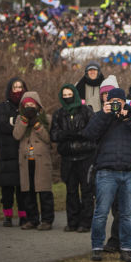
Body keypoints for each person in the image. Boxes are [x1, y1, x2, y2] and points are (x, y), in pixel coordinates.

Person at [84, 83, 131, 262]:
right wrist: (105, 115)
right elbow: (89, 134)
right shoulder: (101, 116)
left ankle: (126, 249)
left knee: (127, 213)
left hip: (128, 172)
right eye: (113, 101)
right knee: (101, 212)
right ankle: (97, 247)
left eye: (119, 102)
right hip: (106, 172)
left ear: (124, 102)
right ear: (107, 101)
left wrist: (128, 117)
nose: (116, 105)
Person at [50, 84, 96, 232]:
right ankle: (72, 221)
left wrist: (79, 135)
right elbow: (54, 134)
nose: (67, 97)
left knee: (87, 191)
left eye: (70, 94)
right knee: (71, 191)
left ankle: (85, 222)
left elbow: (94, 131)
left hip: (85, 157)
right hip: (68, 158)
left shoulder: (86, 111)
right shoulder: (59, 114)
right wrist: (66, 135)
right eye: (65, 95)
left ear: (75, 94)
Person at [12, 91, 55, 229]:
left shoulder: (46, 119)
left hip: (41, 160)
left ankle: (47, 220)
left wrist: (37, 125)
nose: (30, 106)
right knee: (28, 192)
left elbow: (49, 139)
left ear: (38, 105)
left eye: (32, 104)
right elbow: (17, 135)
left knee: (44, 191)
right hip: (26, 160)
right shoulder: (20, 119)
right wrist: (24, 121)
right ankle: (32, 219)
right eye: (27, 104)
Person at [0, 78, 28, 227]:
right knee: (7, 188)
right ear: (10, 89)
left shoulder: (27, 106)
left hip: (23, 152)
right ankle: (7, 216)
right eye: (15, 87)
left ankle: (23, 215)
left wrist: (13, 124)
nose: (18, 90)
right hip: (7, 153)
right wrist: (18, 125)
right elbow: (3, 126)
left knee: (22, 187)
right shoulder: (2, 107)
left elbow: (28, 126)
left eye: (20, 87)